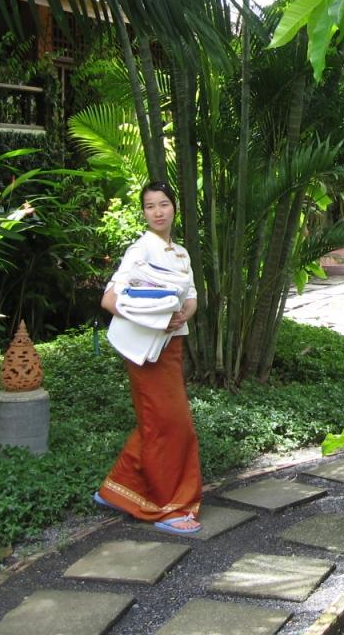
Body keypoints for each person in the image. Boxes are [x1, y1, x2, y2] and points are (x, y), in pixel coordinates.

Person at [93, 181, 203, 534]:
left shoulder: (180, 253)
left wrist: (183, 313)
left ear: (174, 208)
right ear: (143, 212)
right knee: (171, 426)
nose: (157, 212)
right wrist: (155, 318)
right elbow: (110, 300)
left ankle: (117, 490)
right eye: (150, 206)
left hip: (170, 347)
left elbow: (192, 296)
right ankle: (165, 506)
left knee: (157, 423)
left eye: (164, 204)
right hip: (145, 351)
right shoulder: (140, 250)